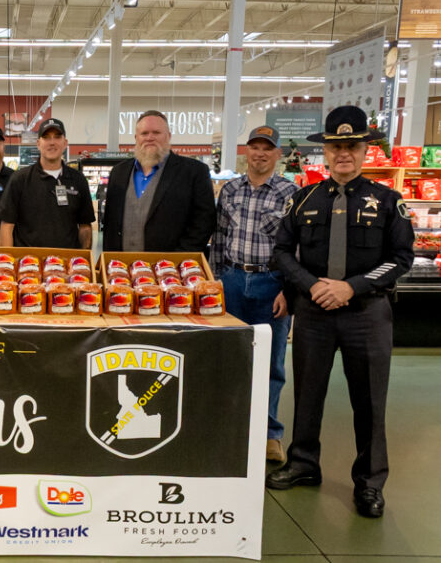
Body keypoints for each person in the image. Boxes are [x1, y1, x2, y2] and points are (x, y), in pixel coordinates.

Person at [266, 106, 415, 519]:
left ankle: (369, 482)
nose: (343, 153)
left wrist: (353, 286)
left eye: (351, 145)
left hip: (367, 314)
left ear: (365, 149)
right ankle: (303, 463)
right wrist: (311, 285)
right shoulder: (303, 199)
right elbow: (281, 251)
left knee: (369, 400)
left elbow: (402, 258)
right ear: (325, 152)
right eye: (335, 146)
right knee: (308, 393)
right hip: (313, 312)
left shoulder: (388, 201)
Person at [210, 125, 298, 464]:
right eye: (254, 147)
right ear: (246, 151)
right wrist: (215, 281)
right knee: (230, 358)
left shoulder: (291, 193)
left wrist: (289, 290)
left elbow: (297, 248)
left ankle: (269, 434)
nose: (260, 153)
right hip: (231, 280)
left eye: (267, 148)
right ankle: (229, 425)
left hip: (271, 285)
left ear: (278, 154)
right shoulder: (230, 190)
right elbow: (219, 238)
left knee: (271, 361)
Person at [102, 110, 215, 252]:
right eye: (144, 133)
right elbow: (110, 223)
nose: (150, 138)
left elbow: (204, 221)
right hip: (122, 268)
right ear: (136, 138)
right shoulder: (118, 172)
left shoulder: (194, 172)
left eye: (156, 133)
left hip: (170, 269)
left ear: (168, 136)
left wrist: (177, 261)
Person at [0, 118, 95, 248]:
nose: (52, 142)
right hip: (29, 264)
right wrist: (7, 261)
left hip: (67, 265)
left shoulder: (78, 180)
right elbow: (7, 226)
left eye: (57, 137)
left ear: (65, 143)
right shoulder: (19, 179)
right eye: (46, 137)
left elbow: (85, 226)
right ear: (38, 143)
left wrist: (84, 259)